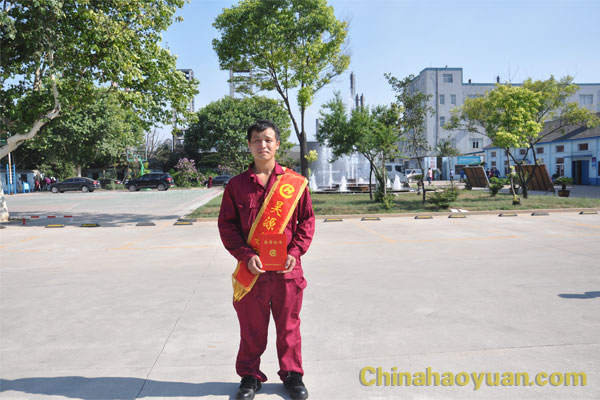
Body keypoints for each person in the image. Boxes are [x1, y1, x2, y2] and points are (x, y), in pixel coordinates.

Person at [218, 120, 315, 400]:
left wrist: (295, 252)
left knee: (289, 328)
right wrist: (246, 256)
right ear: (249, 145)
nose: (263, 145)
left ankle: (292, 375)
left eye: (268, 140)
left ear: (277, 145)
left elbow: (307, 221)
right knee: (252, 329)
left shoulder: (294, 183)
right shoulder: (237, 185)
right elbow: (227, 226)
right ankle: (250, 376)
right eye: (257, 140)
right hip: (252, 272)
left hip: (287, 272)